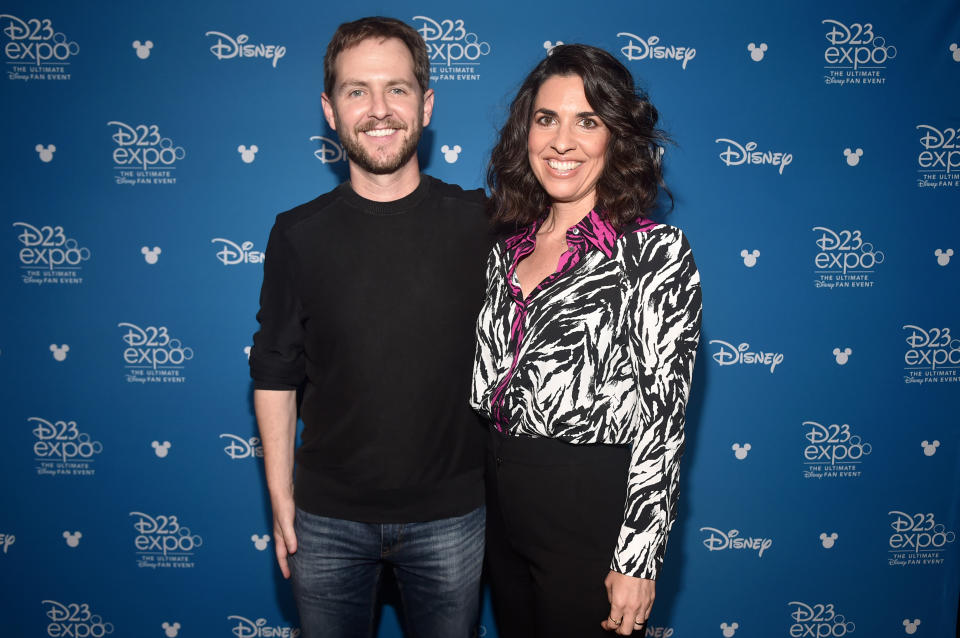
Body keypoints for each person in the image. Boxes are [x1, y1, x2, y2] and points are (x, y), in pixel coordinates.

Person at [249, 16, 490, 638]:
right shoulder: (297, 234)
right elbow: (275, 368)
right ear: (330, 111)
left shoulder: (482, 223)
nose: (378, 110)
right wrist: (281, 499)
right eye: (357, 91)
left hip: (451, 517)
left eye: (398, 89)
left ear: (427, 103)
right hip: (326, 522)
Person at [471, 44, 702, 638]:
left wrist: (638, 558)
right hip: (498, 496)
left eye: (587, 121)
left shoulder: (655, 256)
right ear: (526, 131)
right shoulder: (506, 247)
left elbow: (663, 421)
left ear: (616, 138)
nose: (562, 141)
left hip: (588, 504)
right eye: (547, 119)